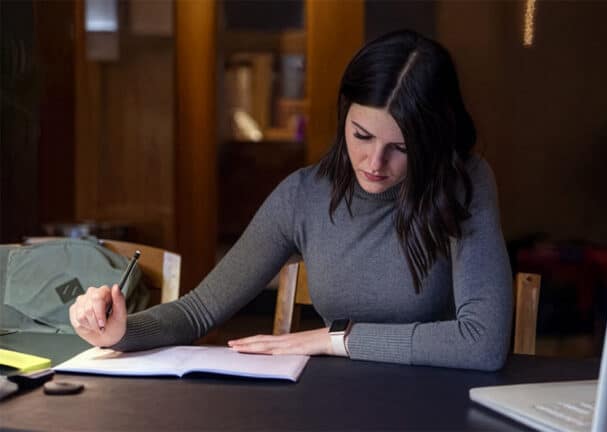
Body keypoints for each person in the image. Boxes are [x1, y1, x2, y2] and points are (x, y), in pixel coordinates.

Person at [69, 30, 513, 371]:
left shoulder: (463, 182)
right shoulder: (305, 195)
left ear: (433, 141)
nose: (374, 162)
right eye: (361, 136)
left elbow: (483, 342)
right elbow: (201, 309)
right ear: (345, 116)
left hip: (433, 405)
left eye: (402, 147)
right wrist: (121, 333)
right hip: (331, 404)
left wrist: (334, 339)